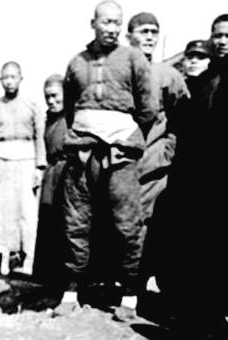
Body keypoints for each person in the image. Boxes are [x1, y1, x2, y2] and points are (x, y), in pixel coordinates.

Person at [54, 0, 158, 322]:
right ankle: (71, 292)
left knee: (127, 224)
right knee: (76, 221)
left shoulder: (133, 59)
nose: (112, 28)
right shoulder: (76, 63)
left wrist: (125, 139)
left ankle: (129, 297)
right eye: (106, 22)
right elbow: (70, 108)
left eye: (117, 22)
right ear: (93, 23)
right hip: (83, 152)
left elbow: (148, 108)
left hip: (120, 152)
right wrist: (85, 136)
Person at [156, 14, 228, 340]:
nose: (222, 41)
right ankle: (195, 317)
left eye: (227, 35)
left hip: (220, 177)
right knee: (195, 246)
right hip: (196, 177)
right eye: (218, 35)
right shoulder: (201, 82)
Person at [126, 12, 189, 291]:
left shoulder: (168, 75)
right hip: (120, 162)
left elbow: (184, 117)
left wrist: (167, 150)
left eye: (154, 31)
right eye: (143, 31)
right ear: (129, 36)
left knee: (145, 226)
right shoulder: (118, 71)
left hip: (152, 164)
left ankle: (135, 287)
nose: (150, 37)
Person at [0, 61, 46, 282]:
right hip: (2, 162)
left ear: (20, 79)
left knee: (27, 212)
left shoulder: (31, 105)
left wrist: (39, 167)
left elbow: (39, 137)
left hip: (26, 160)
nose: (9, 82)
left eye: (13, 77)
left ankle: (27, 260)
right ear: (0, 80)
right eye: (5, 78)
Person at [32, 74, 68, 284]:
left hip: (69, 172)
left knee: (69, 223)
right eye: (47, 97)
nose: (51, 101)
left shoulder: (74, 116)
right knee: (48, 222)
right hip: (51, 174)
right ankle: (48, 278)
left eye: (55, 96)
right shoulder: (46, 121)